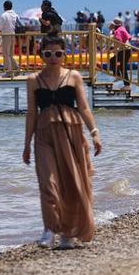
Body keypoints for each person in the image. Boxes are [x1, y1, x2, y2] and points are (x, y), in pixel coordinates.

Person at [24, 33, 102, 250]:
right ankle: (49, 229)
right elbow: (31, 113)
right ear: (41, 55)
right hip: (44, 133)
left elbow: (84, 107)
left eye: (58, 53)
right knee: (48, 182)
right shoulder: (33, 80)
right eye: (48, 54)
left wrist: (94, 132)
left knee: (72, 183)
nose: (53, 57)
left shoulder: (74, 76)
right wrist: (26, 145)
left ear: (64, 55)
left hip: (72, 132)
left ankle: (68, 233)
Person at [0, 0, 21, 76]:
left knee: (6, 54)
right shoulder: (15, 15)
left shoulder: (4, 15)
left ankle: (9, 72)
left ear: (4, 7)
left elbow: (0, 26)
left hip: (6, 35)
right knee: (10, 54)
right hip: (13, 35)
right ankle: (17, 68)